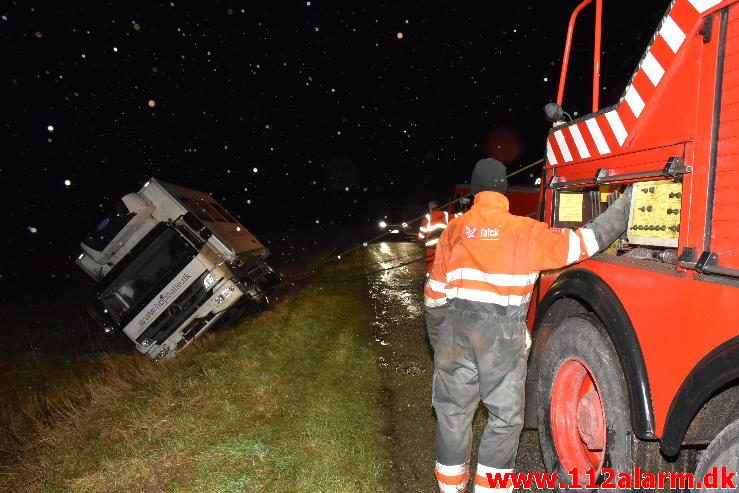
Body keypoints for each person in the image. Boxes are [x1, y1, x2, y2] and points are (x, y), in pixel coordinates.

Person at [424, 157, 631, 492]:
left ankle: (450, 487)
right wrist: (626, 204)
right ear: (504, 191)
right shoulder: (525, 232)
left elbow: (433, 296)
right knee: (504, 421)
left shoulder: (453, 231)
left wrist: (440, 342)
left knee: (452, 414)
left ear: (475, 192)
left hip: (453, 332)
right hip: (501, 340)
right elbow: (585, 242)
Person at [418, 200, 450, 274]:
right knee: (444, 265)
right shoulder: (446, 215)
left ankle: (430, 281)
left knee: (431, 267)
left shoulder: (428, 217)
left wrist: (420, 240)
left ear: (429, 208)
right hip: (444, 247)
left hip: (432, 248)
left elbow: (421, 234)